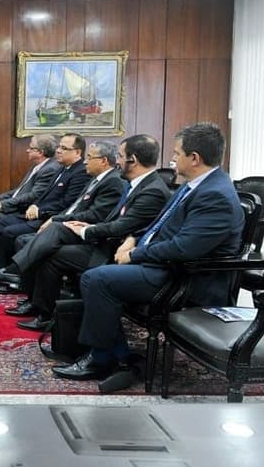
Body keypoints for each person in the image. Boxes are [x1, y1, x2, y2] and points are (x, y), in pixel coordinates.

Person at [52, 123, 244, 381]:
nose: (172, 159)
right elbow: (160, 225)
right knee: (98, 272)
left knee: (97, 279)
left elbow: (183, 248)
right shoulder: (195, 185)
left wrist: (134, 255)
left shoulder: (215, 196)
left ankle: (101, 359)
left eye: (176, 153)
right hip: (164, 264)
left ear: (194, 158)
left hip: (186, 278)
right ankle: (118, 354)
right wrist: (134, 238)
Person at [0, 135, 170, 330]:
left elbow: (122, 227)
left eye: (120, 156)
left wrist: (85, 229)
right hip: (105, 240)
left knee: (54, 239)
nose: (117, 161)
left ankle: (21, 280)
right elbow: (112, 219)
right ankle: (42, 308)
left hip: (114, 251)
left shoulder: (151, 190)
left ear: (133, 160)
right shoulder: (135, 183)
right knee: (50, 246)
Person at [0, 132, 90, 272]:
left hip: (50, 218)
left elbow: (67, 202)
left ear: (77, 152)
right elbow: (43, 193)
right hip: (37, 213)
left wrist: (40, 210)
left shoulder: (80, 173)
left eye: (64, 148)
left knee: (9, 231)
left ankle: (10, 271)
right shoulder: (62, 168)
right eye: (59, 147)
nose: (58, 150)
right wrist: (34, 205)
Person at [0, 134, 60, 270]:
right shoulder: (37, 166)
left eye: (31, 148)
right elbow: (19, 190)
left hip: (25, 210)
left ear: (40, 152)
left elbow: (32, 196)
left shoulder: (49, 169)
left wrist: (2, 205)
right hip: (17, 204)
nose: (27, 150)